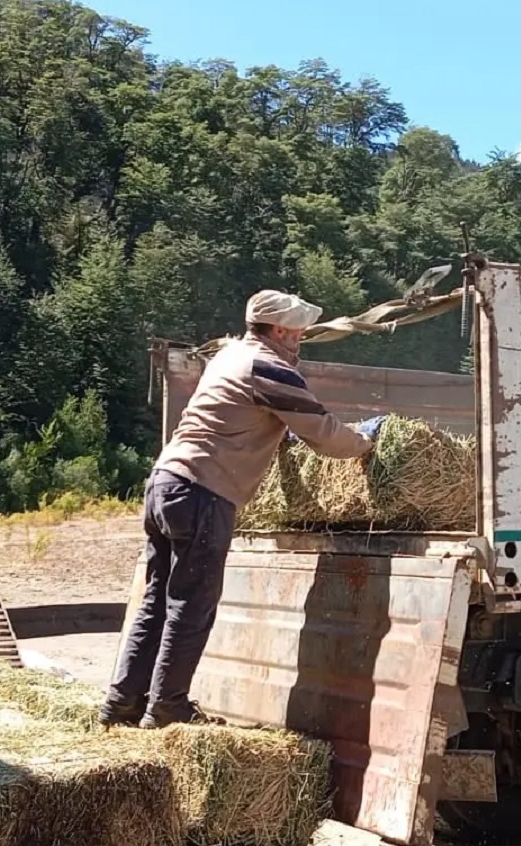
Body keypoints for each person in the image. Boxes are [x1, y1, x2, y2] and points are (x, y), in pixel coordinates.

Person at [101, 290, 376, 730]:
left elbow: (240, 416)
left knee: (156, 601)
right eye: (297, 330)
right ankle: (168, 707)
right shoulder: (268, 367)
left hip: (164, 482)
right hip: (202, 492)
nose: (301, 338)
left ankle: (121, 703)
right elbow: (322, 433)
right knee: (191, 605)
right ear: (279, 330)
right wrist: (366, 442)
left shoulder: (229, 356)